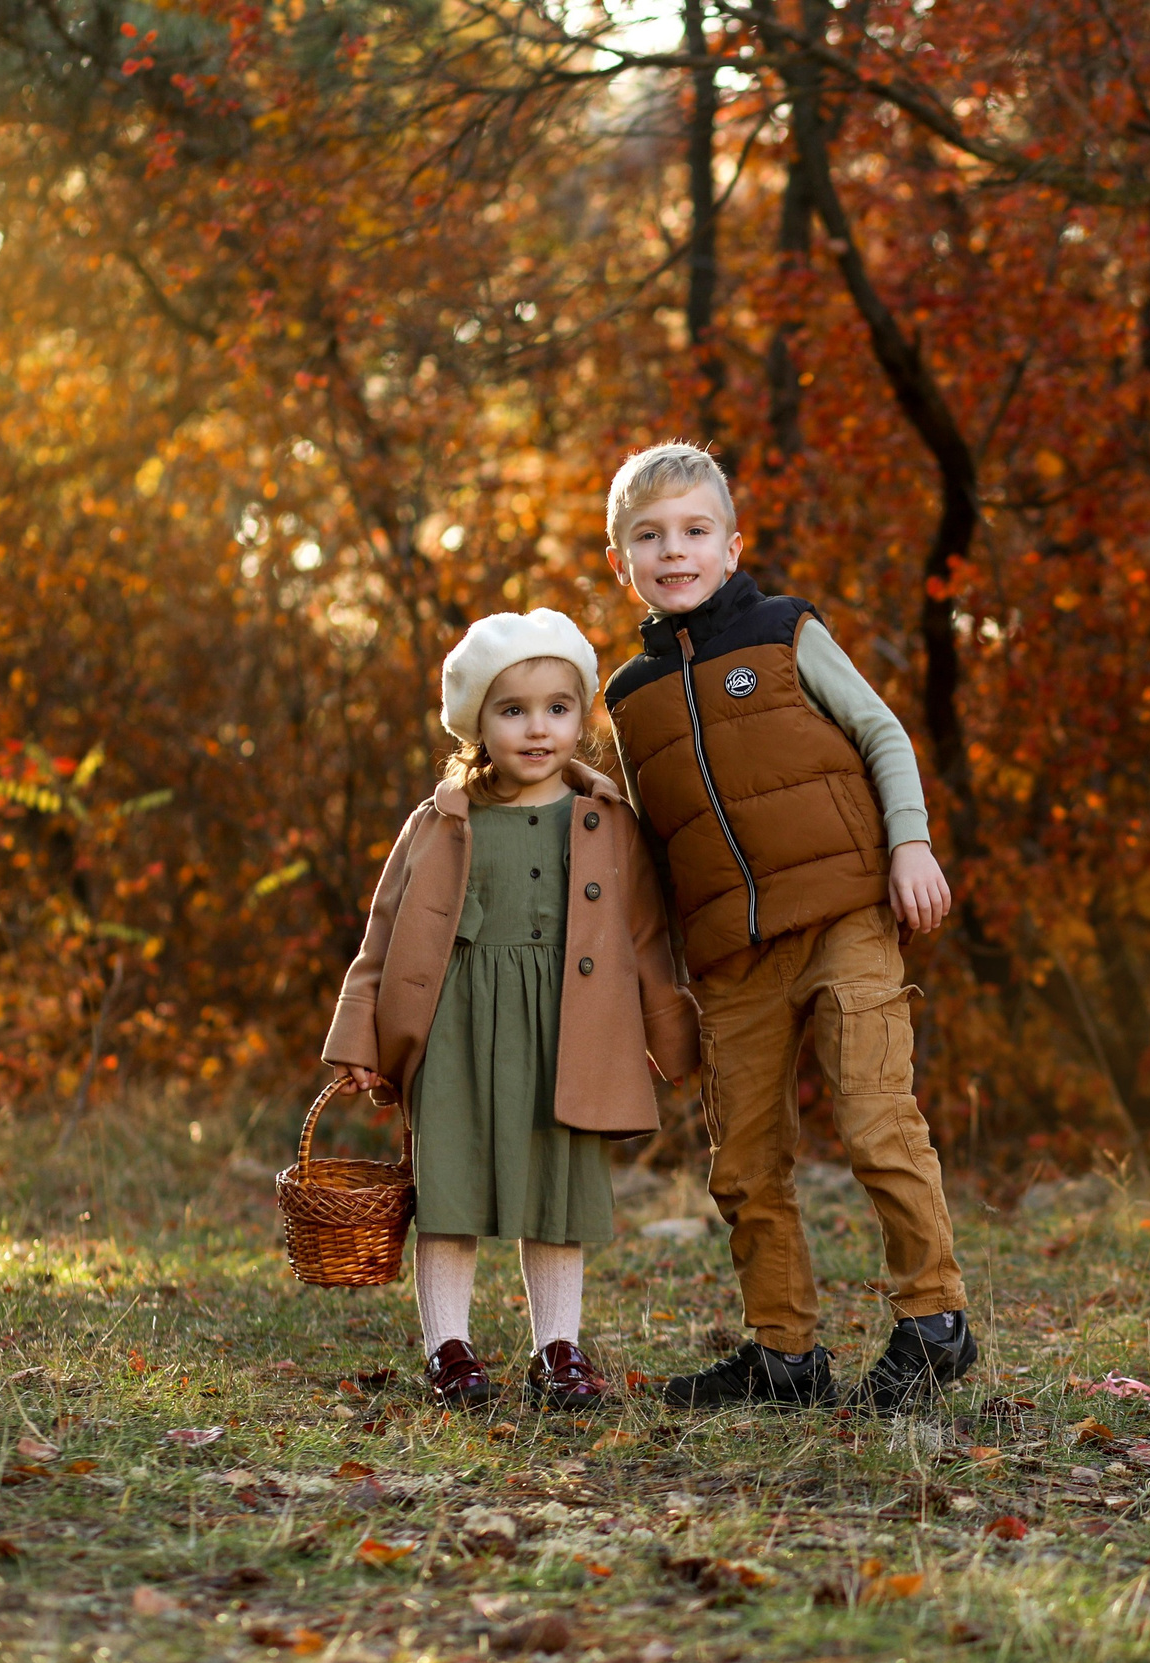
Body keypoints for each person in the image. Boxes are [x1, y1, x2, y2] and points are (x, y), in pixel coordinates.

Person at [602, 441, 975, 1412]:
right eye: (650, 538)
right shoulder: (626, 699)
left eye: (693, 532)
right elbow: (645, 845)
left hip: (846, 912)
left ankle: (933, 1320)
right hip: (729, 956)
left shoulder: (783, 633)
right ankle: (784, 1355)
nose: (673, 551)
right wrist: (654, 981)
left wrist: (911, 844)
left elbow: (880, 730)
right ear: (621, 562)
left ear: (731, 546)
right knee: (746, 1161)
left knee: (873, 1115)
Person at [322, 609, 697, 1412]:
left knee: (556, 1193)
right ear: (476, 724)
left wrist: (674, 1038)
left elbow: (644, 938)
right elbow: (383, 934)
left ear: (580, 716)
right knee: (449, 1192)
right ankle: (447, 1348)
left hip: (570, 1029)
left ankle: (557, 1349)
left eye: (558, 708)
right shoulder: (440, 820)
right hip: (455, 1026)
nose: (537, 729)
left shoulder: (605, 820)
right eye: (513, 710)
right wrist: (360, 1037)